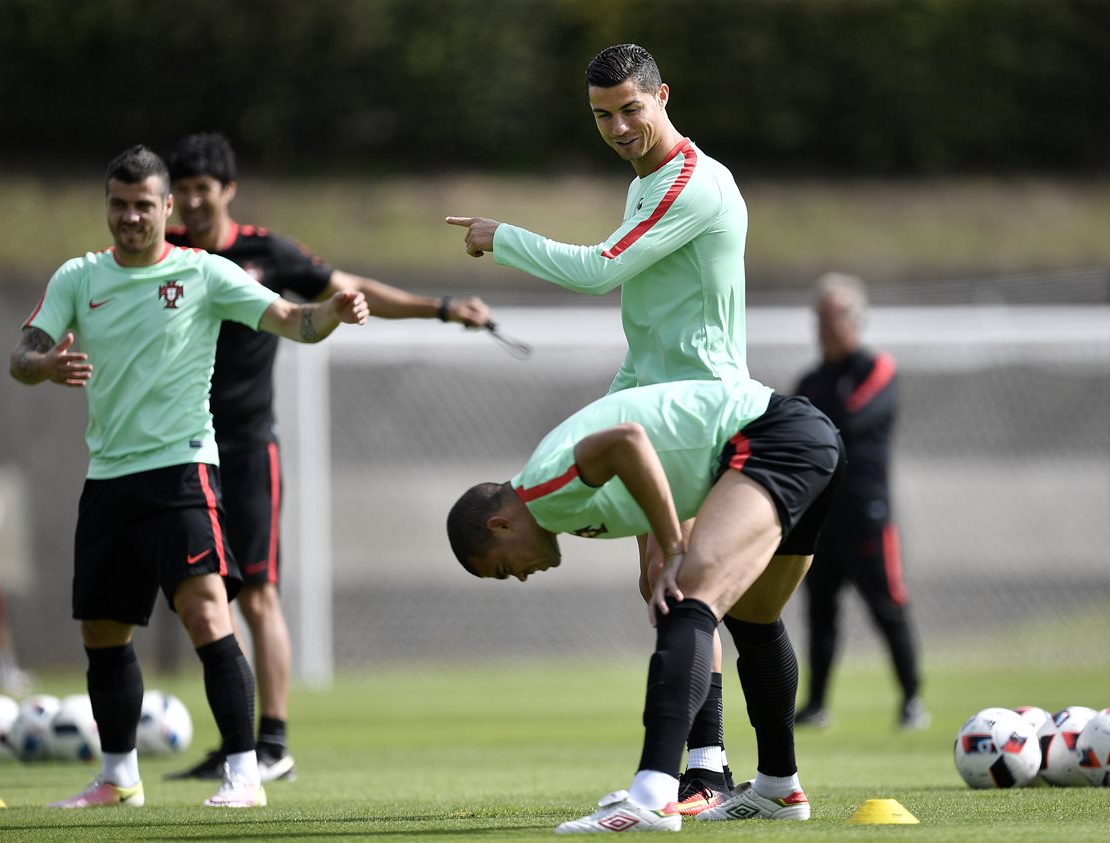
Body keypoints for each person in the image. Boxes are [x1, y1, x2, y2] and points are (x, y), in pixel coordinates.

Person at [8, 144, 369, 809]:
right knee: (103, 631)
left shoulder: (205, 273)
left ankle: (243, 770)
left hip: (182, 472)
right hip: (109, 478)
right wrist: (44, 366)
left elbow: (292, 320)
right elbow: (24, 353)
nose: (130, 217)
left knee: (207, 611)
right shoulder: (78, 277)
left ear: (166, 207)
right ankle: (119, 775)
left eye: (143, 205)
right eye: (118, 204)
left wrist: (333, 314)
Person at [446, 42, 749, 808]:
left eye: (630, 110)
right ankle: (708, 765)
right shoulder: (647, 180)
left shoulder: (691, 182)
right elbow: (651, 321)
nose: (617, 127)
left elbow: (597, 272)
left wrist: (500, 235)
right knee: (663, 582)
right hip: (655, 394)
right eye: (602, 116)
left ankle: (712, 768)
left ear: (663, 96)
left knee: (695, 587)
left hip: (698, 406)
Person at [163, 132, 492, 783]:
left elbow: (352, 288)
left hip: (249, 446)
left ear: (227, 190)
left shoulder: (267, 251)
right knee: (205, 594)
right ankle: (236, 742)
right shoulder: (166, 253)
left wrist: (443, 308)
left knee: (256, 590)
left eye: (206, 188)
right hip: (180, 448)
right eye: (186, 190)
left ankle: (273, 743)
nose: (195, 201)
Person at [446, 378, 844, 833]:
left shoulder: (541, 490)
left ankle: (652, 798)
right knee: (755, 617)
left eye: (502, 569)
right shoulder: (554, 505)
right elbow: (649, 460)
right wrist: (655, 551)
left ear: (499, 526)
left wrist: (674, 550)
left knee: (687, 598)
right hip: (807, 436)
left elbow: (627, 440)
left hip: (771, 438)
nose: (516, 577)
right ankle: (779, 787)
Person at [790, 273, 928, 731]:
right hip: (818, 516)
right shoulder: (809, 380)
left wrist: (812, 428)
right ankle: (817, 704)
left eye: (830, 319)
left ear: (854, 321)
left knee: (888, 605)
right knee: (820, 614)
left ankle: (911, 700)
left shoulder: (877, 370)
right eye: (819, 319)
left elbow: (849, 419)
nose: (823, 329)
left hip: (868, 516)